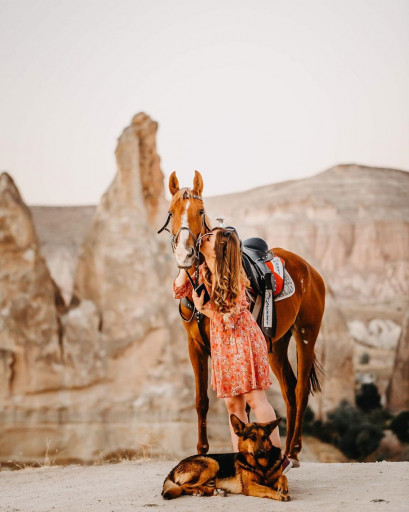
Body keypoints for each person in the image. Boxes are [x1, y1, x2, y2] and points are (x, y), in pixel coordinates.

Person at [172, 226, 292, 473]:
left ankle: (278, 460)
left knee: (255, 399)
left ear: (217, 250)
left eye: (208, 238)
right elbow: (178, 290)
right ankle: (244, 464)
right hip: (224, 344)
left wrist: (201, 307)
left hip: (242, 340)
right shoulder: (204, 269)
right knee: (233, 407)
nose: (202, 239)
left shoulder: (235, 277)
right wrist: (183, 266)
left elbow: (228, 318)